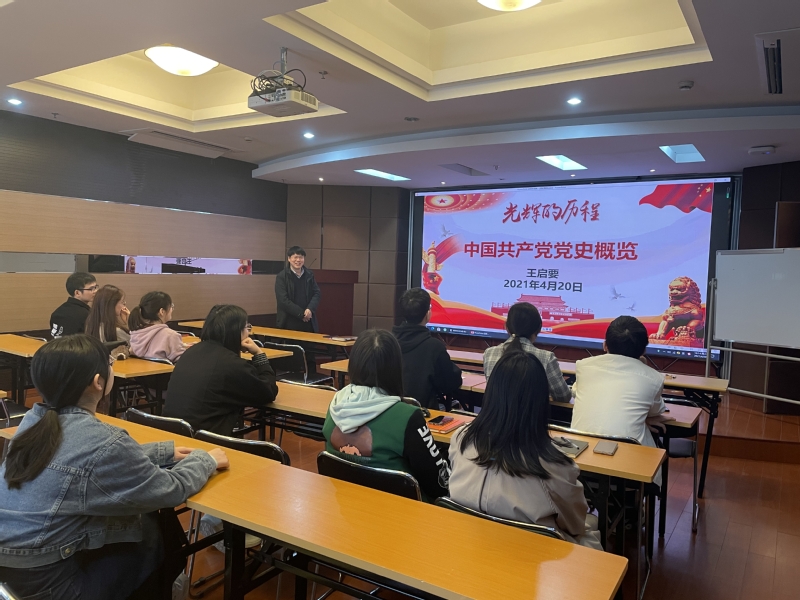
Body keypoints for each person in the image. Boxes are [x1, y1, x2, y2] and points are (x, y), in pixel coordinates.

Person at [0, 335, 229, 600]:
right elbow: (170, 490)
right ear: (99, 382)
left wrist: (161, 452)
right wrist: (206, 460)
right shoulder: (104, 441)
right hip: (50, 585)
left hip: (13, 574)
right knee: (150, 529)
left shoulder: (34, 420)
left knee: (139, 524)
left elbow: (82, 462)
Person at [448, 351, 602, 550]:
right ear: (540, 402)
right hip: (530, 557)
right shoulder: (554, 466)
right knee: (591, 531)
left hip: (468, 546)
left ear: (491, 391)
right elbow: (575, 525)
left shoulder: (460, 439)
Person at [322, 329, 449, 501]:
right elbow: (438, 485)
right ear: (396, 368)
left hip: (345, 506)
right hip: (402, 513)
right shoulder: (408, 417)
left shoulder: (336, 405)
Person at [571, 316, 672, 473]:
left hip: (581, 464)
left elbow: (576, 392)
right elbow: (656, 411)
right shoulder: (654, 378)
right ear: (644, 350)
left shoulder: (584, 366)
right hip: (630, 471)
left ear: (605, 345)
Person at [164, 304, 279, 436]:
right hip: (202, 440)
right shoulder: (231, 364)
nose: (249, 333)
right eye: (247, 328)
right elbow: (268, 391)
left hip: (171, 433)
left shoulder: (191, 352)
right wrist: (259, 354)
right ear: (236, 331)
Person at [483, 302, 571, 402]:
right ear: (538, 329)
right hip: (533, 413)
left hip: (495, 412)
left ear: (507, 327)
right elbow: (563, 396)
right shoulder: (546, 358)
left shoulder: (489, 353)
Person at [391, 288, 462, 409]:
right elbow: (450, 384)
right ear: (428, 313)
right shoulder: (434, 347)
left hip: (390, 410)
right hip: (423, 413)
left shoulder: (387, 341)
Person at [128, 291, 186, 362]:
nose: (172, 309)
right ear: (162, 311)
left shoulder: (136, 334)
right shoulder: (171, 336)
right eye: (171, 306)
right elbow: (183, 362)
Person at [275, 246, 321, 333]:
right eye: (295, 257)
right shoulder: (282, 276)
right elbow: (283, 300)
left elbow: (317, 293)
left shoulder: (309, 275)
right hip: (289, 321)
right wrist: (301, 314)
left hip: (308, 320)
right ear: (289, 259)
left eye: (301, 257)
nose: (298, 260)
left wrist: (310, 309)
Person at [85, 284, 131, 359]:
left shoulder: (91, 326)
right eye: (122, 302)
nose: (124, 306)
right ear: (112, 305)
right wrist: (130, 322)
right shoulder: (116, 331)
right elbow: (138, 347)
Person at [49, 272, 98, 338]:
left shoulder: (58, 311)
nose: (95, 291)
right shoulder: (85, 314)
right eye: (91, 289)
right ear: (77, 293)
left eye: (95, 287)